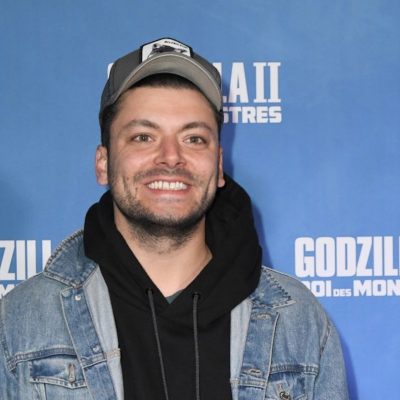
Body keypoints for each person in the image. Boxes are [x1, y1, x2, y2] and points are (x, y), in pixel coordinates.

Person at [0, 37, 349, 400]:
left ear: (218, 166)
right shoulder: (23, 321)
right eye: (143, 137)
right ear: (103, 163)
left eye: (194, 139)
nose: (170, 157)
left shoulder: (296, 320)